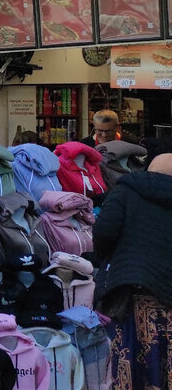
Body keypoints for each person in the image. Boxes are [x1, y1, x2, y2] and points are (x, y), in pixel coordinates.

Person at [94, 152, 172, 387]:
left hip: (132, 287)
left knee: (130, 351)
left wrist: (111, 258)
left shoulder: (126, 191)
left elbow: (103, 233)